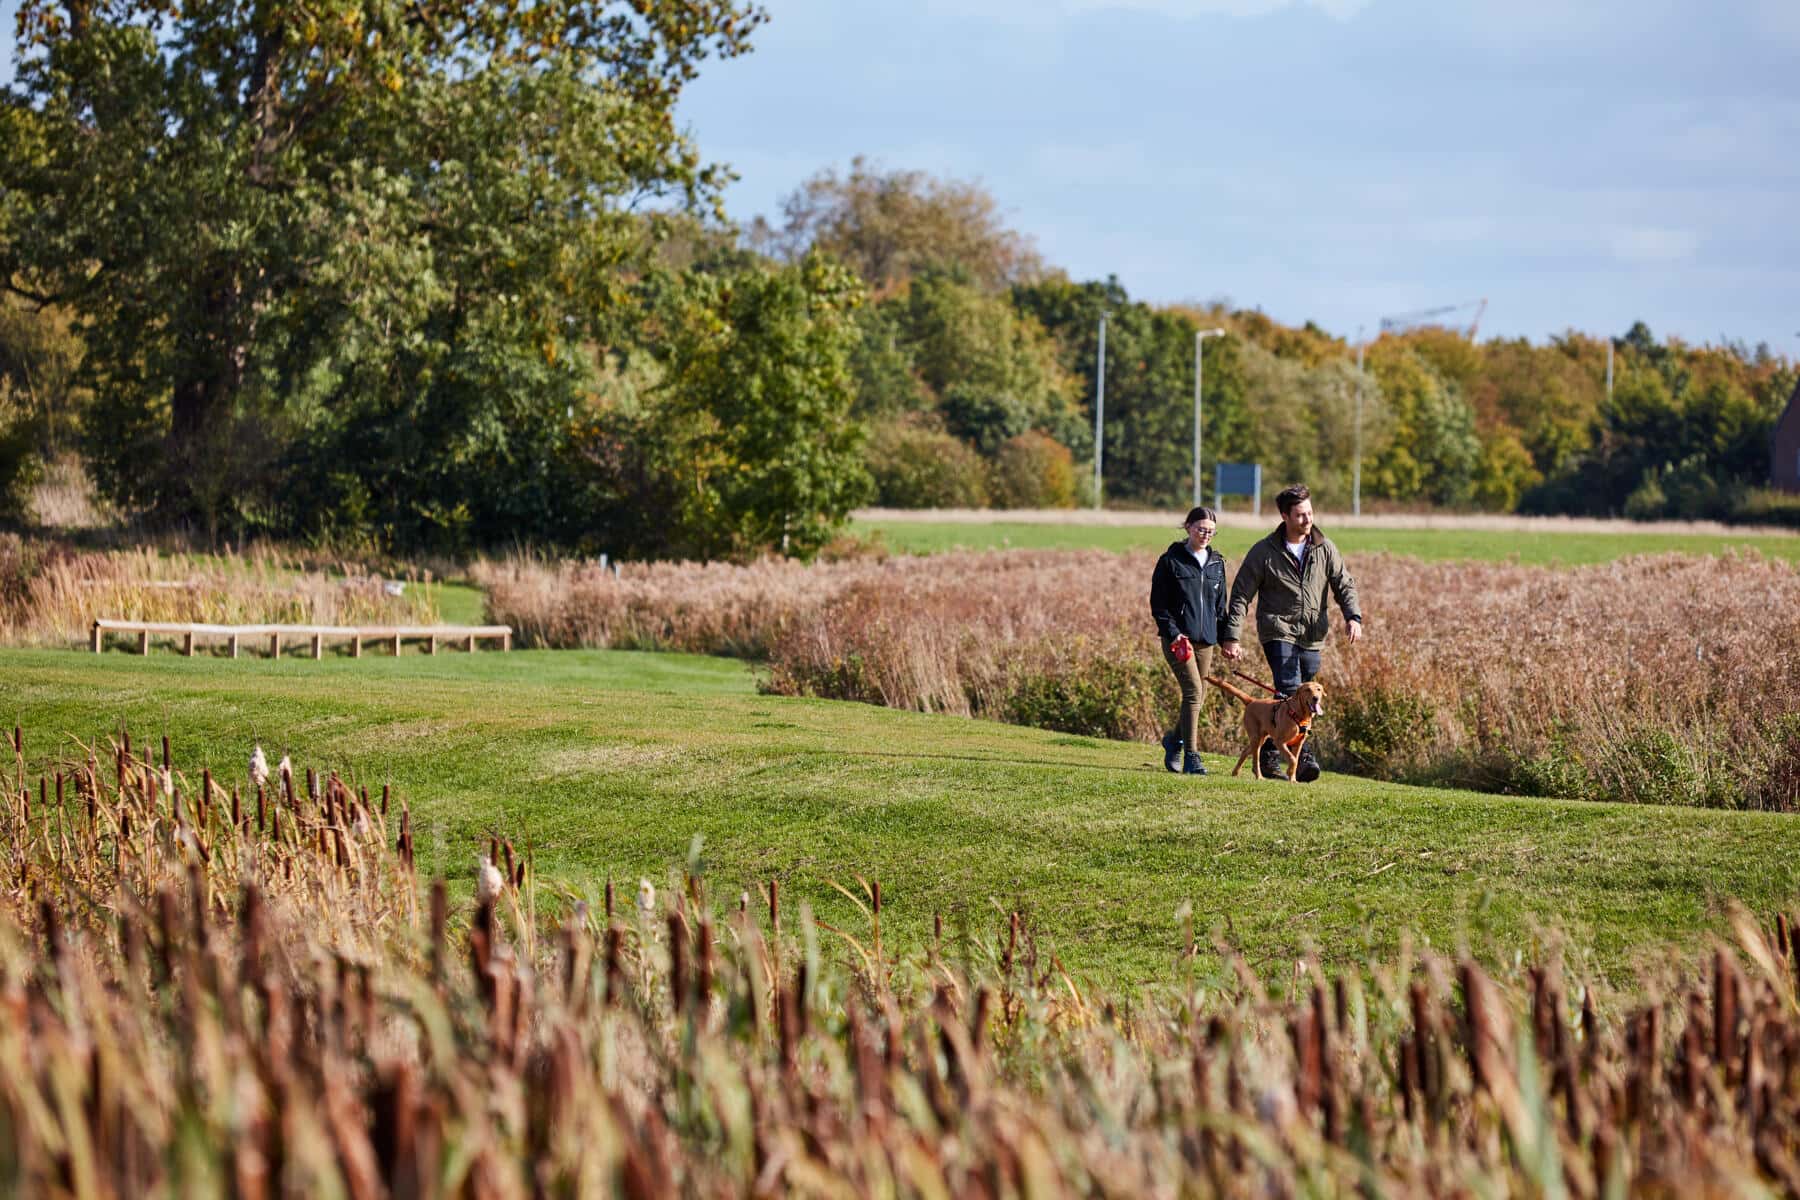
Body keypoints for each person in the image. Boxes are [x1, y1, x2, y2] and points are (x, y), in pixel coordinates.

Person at [1218, 483, 1362, 781]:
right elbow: (1241, 594)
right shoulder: (1264, 552)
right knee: (1289, 686)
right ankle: (1297, 758)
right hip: (1277, 630)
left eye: (1309, 513)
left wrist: (1353, 616)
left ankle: (1272, 753)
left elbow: (1344, 584)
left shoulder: (1324, 547)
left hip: (1312, 634)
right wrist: (1232, 635)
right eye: (1299, 515)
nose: (1307, 519)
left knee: (1307, 695)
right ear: (1284, 516)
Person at [1149, 506, 1229, 775]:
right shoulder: (1170, 561)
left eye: (1211, 531)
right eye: (1200, 529)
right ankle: (1192, 757)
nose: (1205, 535)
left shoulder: (1217, 563)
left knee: (1198, 696)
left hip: (1206, 641)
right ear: (1188, 527)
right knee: (1194, 691)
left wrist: (1228, 640)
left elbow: (1221, 608)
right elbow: (1159, 606)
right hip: (1178, 641)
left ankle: (1174, 740)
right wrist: (1174, 633)